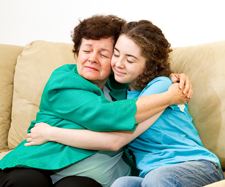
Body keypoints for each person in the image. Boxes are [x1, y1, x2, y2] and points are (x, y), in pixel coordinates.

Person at [25, 20, 224, 187]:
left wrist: (51, 133)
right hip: (150, 174)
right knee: (121, 184)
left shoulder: (163, 86)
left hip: (196, 165)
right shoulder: (121, 94)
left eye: (130, 59)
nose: (118, 64)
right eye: (116, 54)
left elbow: (117, 139)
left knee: (157, 179)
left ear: (149, 65)